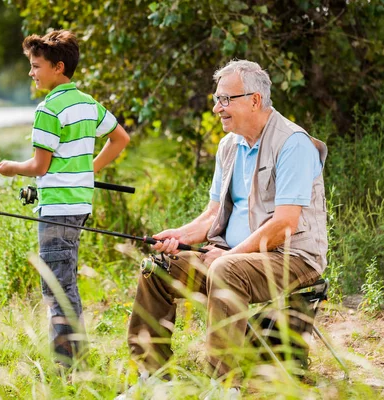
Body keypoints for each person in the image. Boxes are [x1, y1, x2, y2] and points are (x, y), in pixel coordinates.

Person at [125, 60, 328, 385]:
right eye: (216, 100)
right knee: (157, 266)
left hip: (293, 259)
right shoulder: (228, 145)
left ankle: (223, 386)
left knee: (224, 269)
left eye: (225, 99)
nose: (218, 108)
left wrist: (231, 256)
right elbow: (212, 215)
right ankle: (151, 376)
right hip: (232, 257)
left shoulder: (293, 144)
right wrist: (178, 235)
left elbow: (285, 224)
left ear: (254, 100)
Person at [0, 30, 130, 368]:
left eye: (36, 66)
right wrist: (88, 171)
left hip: (57, 210)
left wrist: (12, 168)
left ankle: (68, 366)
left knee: (56, 288)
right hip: (79, 205)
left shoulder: (48, 110)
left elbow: (39, 166)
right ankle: (75, 359)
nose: (31, 72)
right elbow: (120, 138)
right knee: (64, 281)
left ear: (58, 67)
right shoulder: (87, 103)